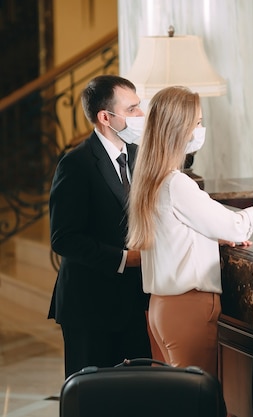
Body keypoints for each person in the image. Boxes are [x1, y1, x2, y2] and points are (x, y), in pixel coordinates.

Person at [126, 85, 253, 375]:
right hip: (187, 308)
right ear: (179, 128)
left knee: (178, 399)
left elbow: (174, 233)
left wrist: (211, 238)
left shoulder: (151, 179)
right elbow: (236, 225)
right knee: (196, 402)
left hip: (162, 307)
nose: (200, 129)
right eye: (197, 122)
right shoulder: (177, 184)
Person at [49, 75, 152, 379]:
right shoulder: (76, 164)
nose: (140, 115)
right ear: (106, 117)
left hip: (132, 301)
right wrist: (124, 259)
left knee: (135, 395)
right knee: (93, 399)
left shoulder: (136, 156)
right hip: (89, 305)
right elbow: (64, 238)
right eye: (132, 109)